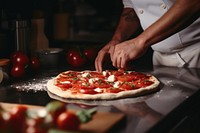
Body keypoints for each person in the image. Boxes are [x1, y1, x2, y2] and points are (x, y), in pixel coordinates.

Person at [95, 0, 200, 72]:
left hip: (195, 51)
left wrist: (139, 42)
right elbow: (132, 7)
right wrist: (117, 39)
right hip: (160, 58)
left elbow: (193, 2)